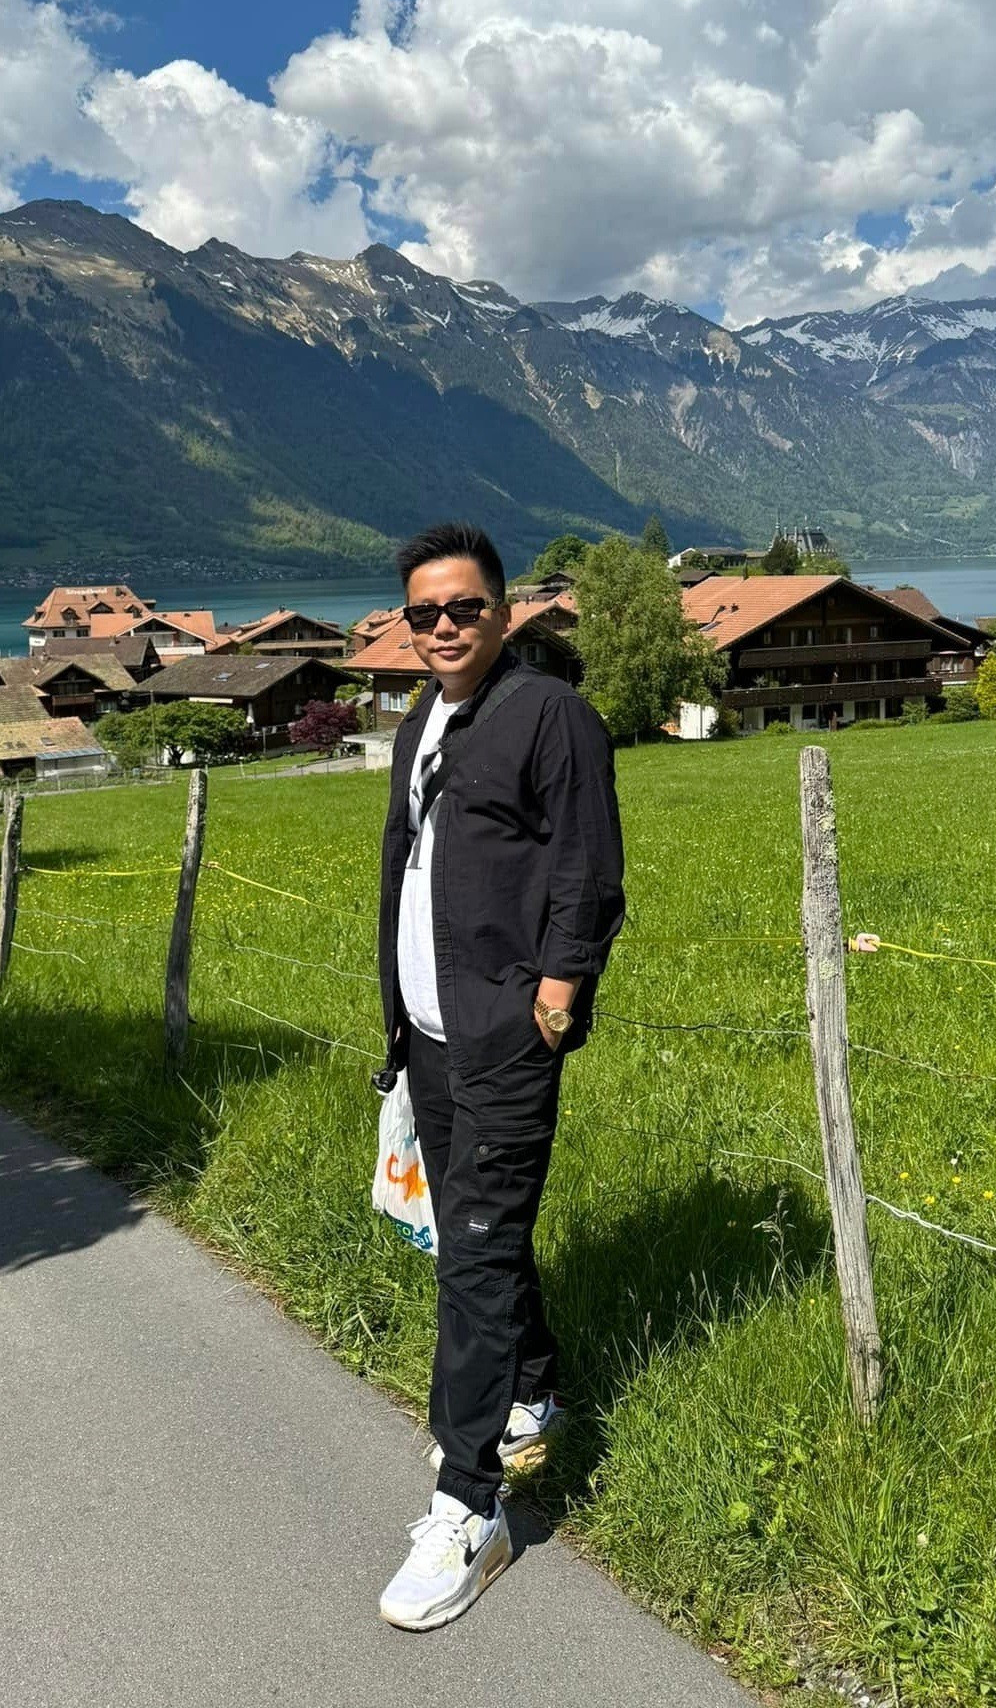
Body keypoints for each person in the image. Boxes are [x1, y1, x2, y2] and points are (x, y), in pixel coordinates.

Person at [375, 522, 625, 1632]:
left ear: (503, 610)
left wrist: (558, 996)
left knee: (473, 1256)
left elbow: (588, 868)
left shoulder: (550, 714)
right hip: (430, 1034)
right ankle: (532, 1392)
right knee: (479, 1234)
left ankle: (467, 1506)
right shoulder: (419, 722)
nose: (442, 626)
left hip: (506, 1036)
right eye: (422, 611)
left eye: (463, 607)